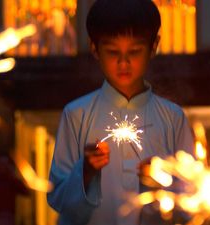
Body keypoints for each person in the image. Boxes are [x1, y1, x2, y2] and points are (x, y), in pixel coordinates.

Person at [47, 0, 194, 224]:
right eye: (113, 51)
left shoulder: (173, 118)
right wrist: (85, 172)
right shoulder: (77, 114)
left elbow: (191, 199)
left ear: (153, 46)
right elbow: (57, 198)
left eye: (134, 51)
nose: (123, 62)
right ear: (95, 48)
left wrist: (159, 179)